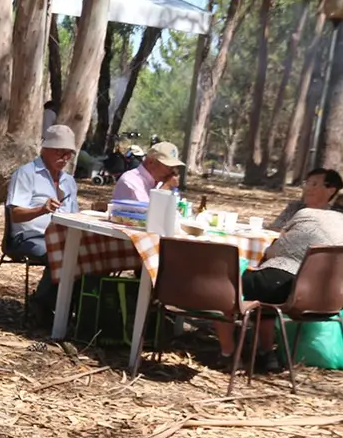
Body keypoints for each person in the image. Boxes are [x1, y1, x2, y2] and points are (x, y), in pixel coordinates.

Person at [214, 205, 343, 372]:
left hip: (287, 282)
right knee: (266, 293)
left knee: (226, 285)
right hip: (329, 296)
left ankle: (229, 354)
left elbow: (273, 250)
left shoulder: (306, 213)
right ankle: (266, 354)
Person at [5, 125, 80, 322]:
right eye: (59, 152)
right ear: (44, 149)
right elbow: (15, 215)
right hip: (29, 237)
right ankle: (41, 304)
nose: (64, 158)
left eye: (68, 154)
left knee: (89, 254)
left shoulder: (69, 181)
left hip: (64, 237)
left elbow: (74, 215)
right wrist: (41, 209)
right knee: (62, 254)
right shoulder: (26, 173)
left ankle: (76, 310)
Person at [110, 141, 183, 203]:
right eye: (168, 166)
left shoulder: (158, 183)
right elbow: (147, 213)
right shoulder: (131, 181)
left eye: (174, 167)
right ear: (151, 161)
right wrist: (166, 187)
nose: (172, 171)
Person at [271, 168, 342, 231]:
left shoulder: (336, 218)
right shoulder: (294, 207)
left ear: (331, 191)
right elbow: (275, 230)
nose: (308, 188)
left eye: (314, 184)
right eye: (307, 183)